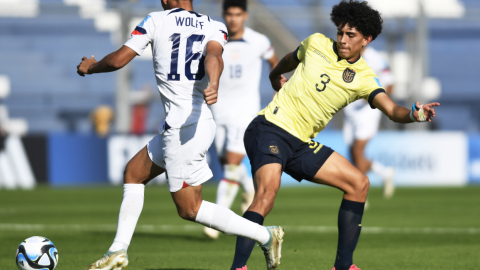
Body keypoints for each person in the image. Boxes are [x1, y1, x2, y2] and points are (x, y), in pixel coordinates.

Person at [229, 1, 440, 270]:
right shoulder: (316, 42)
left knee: (359, 183)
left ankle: (343, 266)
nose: (342, 39)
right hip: (269, 127)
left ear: (367, 39)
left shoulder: (364, 77)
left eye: (350, 35)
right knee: (267, 194)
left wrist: (414, 114)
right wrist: (275, 75)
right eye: (341, 32)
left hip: (300, 142)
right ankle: (238, 267)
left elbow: (392, 110)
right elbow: (289, 59)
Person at [76, 1, 284, 270]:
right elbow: (213, 57)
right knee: (134, 173)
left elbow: (118, 60)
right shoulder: (214, 25)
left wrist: (90, 66)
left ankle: (266, 235)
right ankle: (118, 250)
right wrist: (214, 81)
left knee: (189, 209)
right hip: (195, 121)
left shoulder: (155, 20)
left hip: (183, 128)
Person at [204, 0, 278, 240]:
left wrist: (278, 86)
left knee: (233, 163)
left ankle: (216, 221)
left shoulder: (259, 41)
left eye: (238, 14)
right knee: (228, 163)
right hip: (218, 110)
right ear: (224, 14)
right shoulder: (215, 40)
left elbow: (273, 62)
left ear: (245, 15)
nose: (234, 18)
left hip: (245, 112)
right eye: (230, 14)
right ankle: (248, 190)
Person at [343, 45, 395, 199]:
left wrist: (375, 99)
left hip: (367, 111)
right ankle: (384, 173)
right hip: (350, 110)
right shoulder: (346, 55)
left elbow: (390, 84)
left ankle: (359, 195)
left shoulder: (374, 58)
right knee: (353, 154)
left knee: (358, 151)